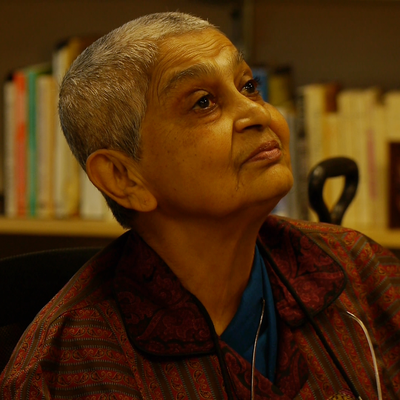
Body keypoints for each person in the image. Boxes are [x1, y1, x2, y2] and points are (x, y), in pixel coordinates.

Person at [1, 11, 399, 400]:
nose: (256, 113)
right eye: (204, 102)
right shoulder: (75, 363)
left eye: (247, 87)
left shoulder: (360, 267)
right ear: (124, 178)